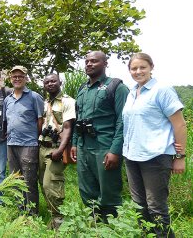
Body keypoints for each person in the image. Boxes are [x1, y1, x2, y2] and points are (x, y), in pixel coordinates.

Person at [122, 53, 187, 237]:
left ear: (151, 67)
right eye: (134, 68)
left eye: (142, 67)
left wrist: (180, 157)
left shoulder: (162, 90)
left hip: (156, 157)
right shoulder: (132, 92)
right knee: (139, 207)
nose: (138, 71)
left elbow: (180, 124)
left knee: (156, 209)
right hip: (132, 156)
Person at [70, 51, 129, 222]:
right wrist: (74, 143)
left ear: (105, 64)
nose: (89, 64)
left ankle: (112, 227)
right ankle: (95, 226)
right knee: (87, 190)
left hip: (105, 147)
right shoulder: (82, 89)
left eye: (94, 61)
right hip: (83, 146)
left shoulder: (116, 87)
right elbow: (78, 118)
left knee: (109, 191)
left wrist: (115, 150)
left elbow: (122, 121)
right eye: (87, 61)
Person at [3, 65, 44, 215]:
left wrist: (35, 137)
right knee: (16, 180)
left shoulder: (34, 97)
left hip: (29, 144)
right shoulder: (7, 100)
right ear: (10, 79)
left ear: (26, 78)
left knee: (29, 180)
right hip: (11, 144)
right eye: (14, 76)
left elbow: (40, 120)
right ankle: (21, 211)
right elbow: (7, 121)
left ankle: (33, 214)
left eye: (20, 76)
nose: (17, 79)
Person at [39, 73, 75, 229]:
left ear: (60, 82)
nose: (50, 84)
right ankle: (52, 217)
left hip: (56, 149)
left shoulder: (68, 101)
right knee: (42, 183)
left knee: (50, 184)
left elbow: (68, 128)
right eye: (47, 82)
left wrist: (60, 151)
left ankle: (58, 220)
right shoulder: (44, 103)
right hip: (42, 147)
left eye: (53, 81)